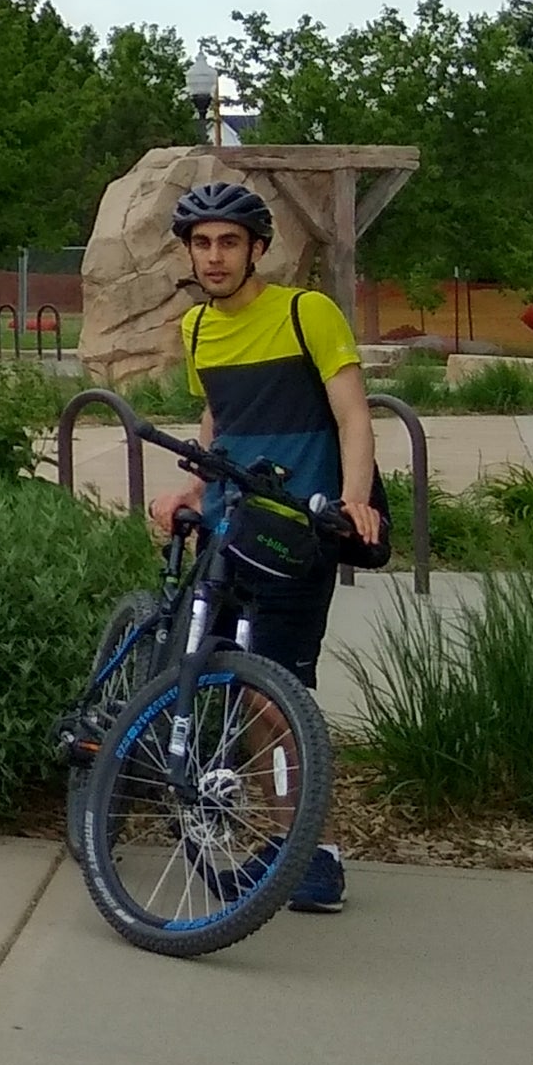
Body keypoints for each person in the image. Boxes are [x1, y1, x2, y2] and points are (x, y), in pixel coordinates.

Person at [155, 176, 381, 914]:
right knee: (232, 686)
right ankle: (274, 837)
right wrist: (193, 485)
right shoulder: (196, 330)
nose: (214, 257)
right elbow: (221, 419)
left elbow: (353, 414)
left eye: (228, 243)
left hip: (295, 530)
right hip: (228, 526)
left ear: (257, 248)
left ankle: (310, 851)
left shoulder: (303, 311)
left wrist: (352, 498)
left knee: (280, 695)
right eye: (201, 243)